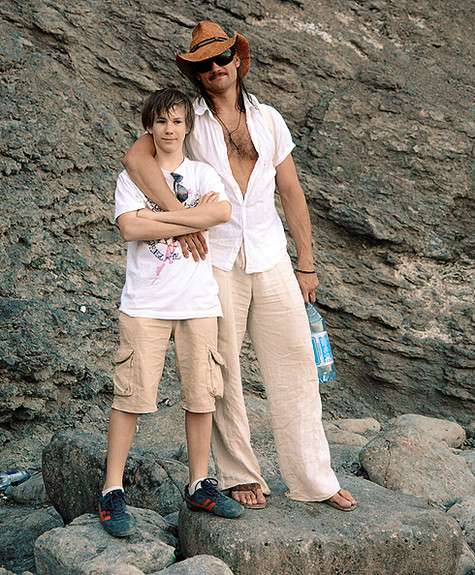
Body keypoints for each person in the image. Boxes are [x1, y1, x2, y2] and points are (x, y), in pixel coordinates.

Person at [122, 22, 358, 512]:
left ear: (237, 60)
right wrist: (181, 218)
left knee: (296, 364)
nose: (215, 68)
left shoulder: (269, 119)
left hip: (270, 254)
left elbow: (290, 191)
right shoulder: (187, 120)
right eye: (204, 63)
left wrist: (307, 262)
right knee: (223, 369)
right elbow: (135, 160)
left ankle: (314, 478)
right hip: (213, 258)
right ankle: (238, 475)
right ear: (196, 73)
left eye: (222, 58)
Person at [99, 87, 244, 539]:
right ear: (150, 126)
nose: (169, 129)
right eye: (161, 121)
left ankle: (199, 483)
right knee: (131, 396)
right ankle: (111, 489)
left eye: (177, 121)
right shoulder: (132, 177)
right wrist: (186, 221)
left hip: (197, 302)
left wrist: (160, 219)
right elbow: (130, 227)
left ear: (187, 127)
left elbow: (220, 213)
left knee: (202, 395)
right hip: (145, 303)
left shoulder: (202, 173)